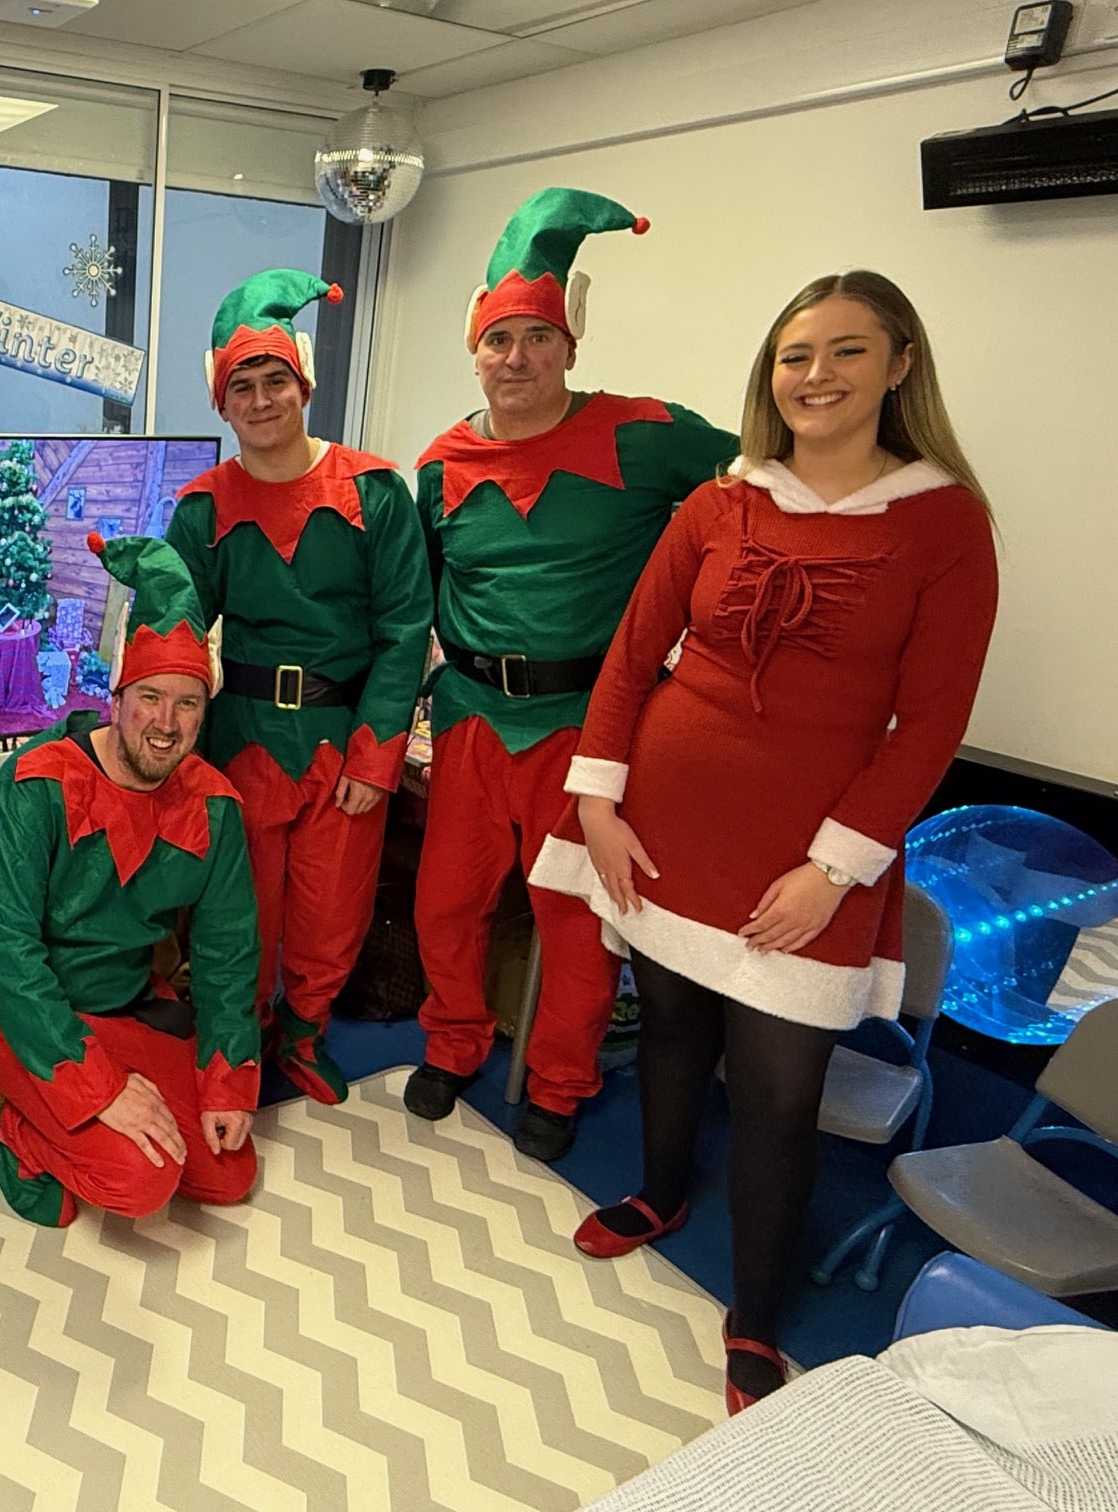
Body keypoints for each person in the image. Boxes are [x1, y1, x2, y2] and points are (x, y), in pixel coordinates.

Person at [530, 270, 999, 1413]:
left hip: (806, 855)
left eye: (846, 351)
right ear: (769, 374)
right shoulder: (720, 503)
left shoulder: (943, 523)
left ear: (899, 365)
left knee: (782, 1095)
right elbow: (635, 655)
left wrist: (832, 870)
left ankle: (754, 1318)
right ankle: (658, 1192)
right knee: (676, 1030)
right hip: (663, 825)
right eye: (796, 355)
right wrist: (598, 804)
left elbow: (931, 726)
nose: (817, 376)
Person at [407, 189, 740, 1161]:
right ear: (476, 349)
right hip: (469, 713)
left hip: (586, 726)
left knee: (575, 920)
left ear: (569, 347)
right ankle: (455, 1042)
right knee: (446, 904)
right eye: (498, 339)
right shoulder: (441, 461)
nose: (516, 358)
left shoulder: (647, 434)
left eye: (536, 339)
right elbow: (421, 591)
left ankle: (559, 1083)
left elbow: (755, 487)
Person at [165, 269, 432, 1105]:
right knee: (241, 911)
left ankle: (307, 1030)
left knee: (333, 908)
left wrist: (378, 754)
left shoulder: (374, 492)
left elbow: (404, 628)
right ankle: (238, 1037)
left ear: (303, 383)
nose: (261, 398)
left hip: (344, 738)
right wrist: (164, 746)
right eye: (241, 385)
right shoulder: (201, 507)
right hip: (241, 735)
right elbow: (170, 630)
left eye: (274, 379)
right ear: (222, 403)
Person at [0, 534, 262, 1227]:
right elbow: (3, 950)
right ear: (116, 697)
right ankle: (25, 1136)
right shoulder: (38, 780)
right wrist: (97, 1090)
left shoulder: (214, 805)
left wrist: (228, 1082)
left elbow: (228, 954)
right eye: (150, 697)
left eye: (189, 704)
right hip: (18, 1011)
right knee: (142, 1182)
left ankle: (91, 1108)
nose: (167, 724)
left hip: (125, 1007)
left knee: (227, 1169)